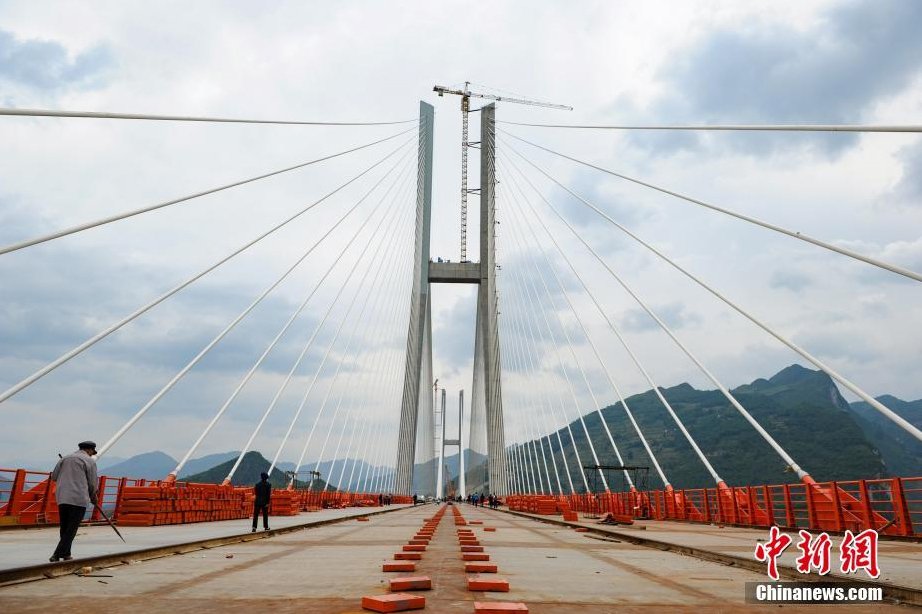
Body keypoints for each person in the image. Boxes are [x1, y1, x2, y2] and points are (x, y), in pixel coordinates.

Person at [49, 441, 98, 562]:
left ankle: (66, 554)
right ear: (89, 450)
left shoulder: (64, 458)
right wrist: (94, 497)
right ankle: (56, 554)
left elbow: (54, 476)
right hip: (78, 498)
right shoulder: (89, 461)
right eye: (92, 452)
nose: (92, 455)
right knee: (72, 528)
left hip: (62, 497)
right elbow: (92, 483)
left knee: (65, 527)